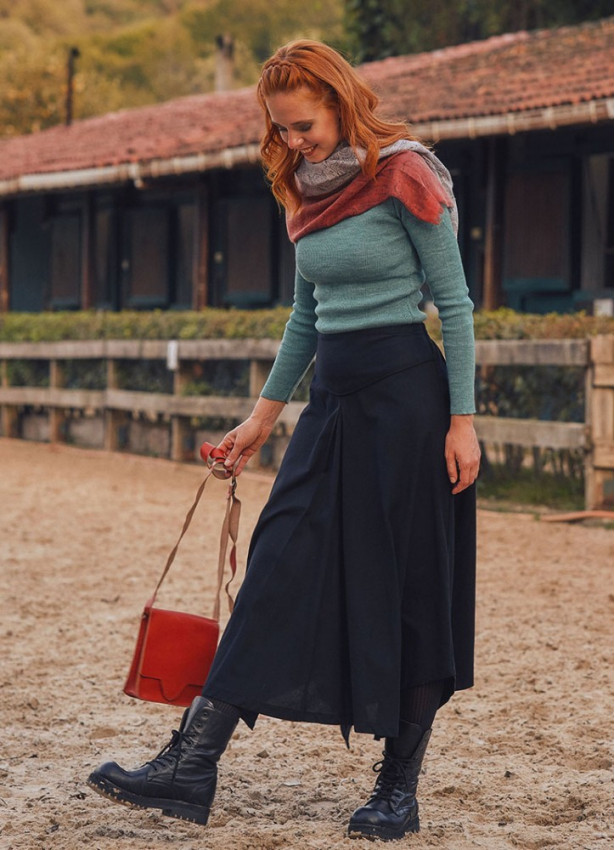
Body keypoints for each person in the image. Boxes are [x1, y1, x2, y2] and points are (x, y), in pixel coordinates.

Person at [87, 39, 480, 842]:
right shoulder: (299, 187)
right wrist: (262, 420)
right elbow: (305, 315)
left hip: (408, 404)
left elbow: (456, 305)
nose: (293, 140)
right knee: (274, 564)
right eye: (282, 128)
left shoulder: (406, 173)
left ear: (339, 103)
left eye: (302, 125)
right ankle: (190, 763)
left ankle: (396, 791)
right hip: (330, 407)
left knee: (411, 587)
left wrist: (463, 421)